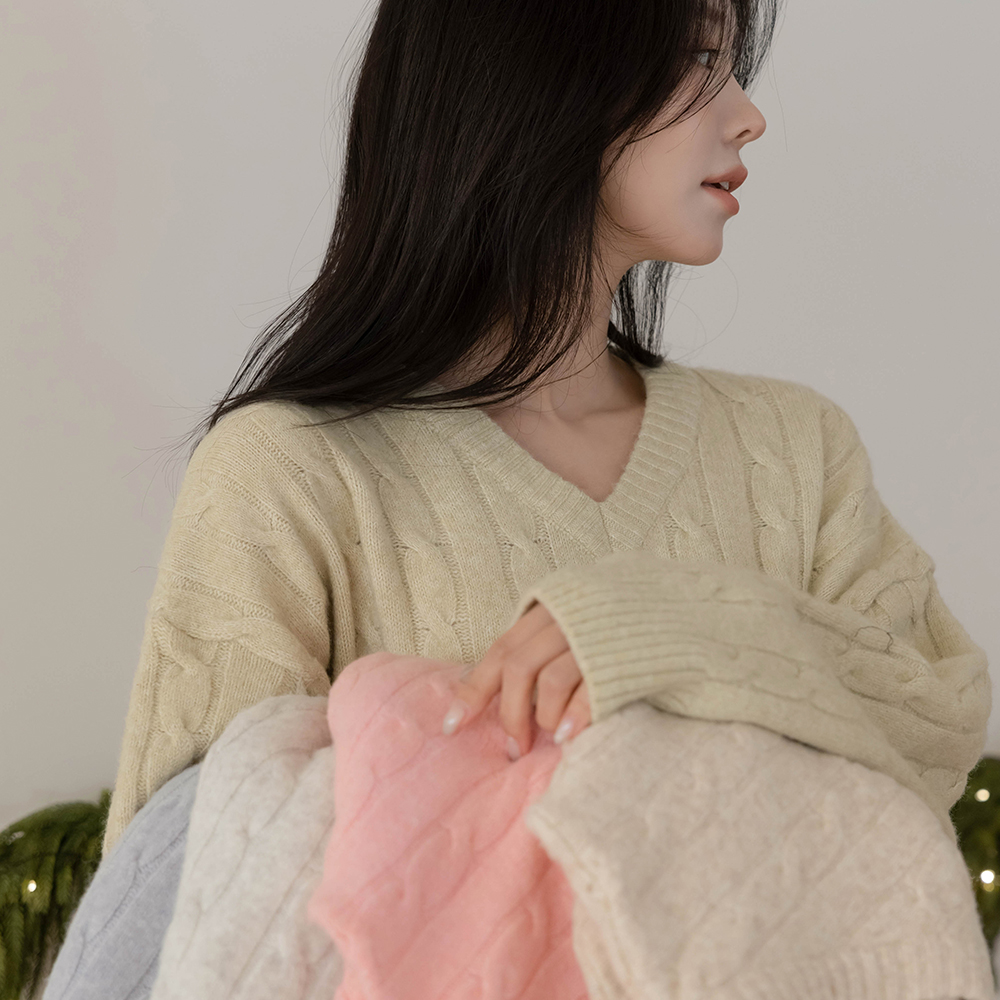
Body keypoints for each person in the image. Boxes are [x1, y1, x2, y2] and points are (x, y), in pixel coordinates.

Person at [101, 0, 990, 861]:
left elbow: (937, 721)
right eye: (699, 56)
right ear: (537, 70)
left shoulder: (795, 449)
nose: (748, 116)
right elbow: (192, 890)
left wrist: (679, 629)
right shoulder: (288, 474)